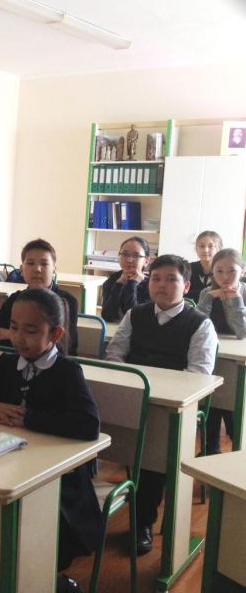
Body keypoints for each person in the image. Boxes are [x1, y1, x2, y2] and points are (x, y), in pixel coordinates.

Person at [0, 288, 101, 593]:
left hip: (56, 483)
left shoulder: (67, 371)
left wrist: (28, 419)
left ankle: (37, 577)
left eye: (31, 330)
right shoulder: (6, 365)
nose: (19, 338)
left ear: (55, 334)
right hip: (5, 469)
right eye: (14, 327)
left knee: (31, 532)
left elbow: (88, 424)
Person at [106, 254, 217, 555]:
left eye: (171, 279)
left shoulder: (200, 324)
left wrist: (157, 392)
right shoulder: (136, 314)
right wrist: (130, 385)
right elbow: (115, 354)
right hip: (133, 397)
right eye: (155, 279)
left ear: (186, 286)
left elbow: (198, 375)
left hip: (171, 408)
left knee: (153, 454)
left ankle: (142, 522)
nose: (162, 285)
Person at [0, 239, 78, 355]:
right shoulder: (15, 299)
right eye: (31, 263)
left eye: (44, 264)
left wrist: (12, 334)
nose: (37, 269)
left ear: (54, 269)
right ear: (21, 269)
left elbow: (65, 345)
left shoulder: (67, 301)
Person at [197, 248, 246, 454]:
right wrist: (209, 298)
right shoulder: (206, 292)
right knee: (212, 404)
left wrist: (236, 300)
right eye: (219, 271)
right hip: (213, 357)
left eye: (231, 271)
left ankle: (237, 450)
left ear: (242, 271)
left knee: (232, 408)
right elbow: (198, 325)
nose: (225, 277)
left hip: (239, 362)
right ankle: (210, 449)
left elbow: (242, 332)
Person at [100, 236, 151, 322]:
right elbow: (107, 316)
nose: (129, 260)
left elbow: (135, 318)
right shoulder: (113, 280)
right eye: (125, 254)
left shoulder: (151, 284)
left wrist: (132, 284)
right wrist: (118, 285)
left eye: (136, 255)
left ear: (146, 261)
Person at [186, 230, 223, 303]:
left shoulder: (225, 271)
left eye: (211, 246)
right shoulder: (187, 268)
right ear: (196, 249)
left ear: (219, 249)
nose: (205, 250)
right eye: (202, 246)